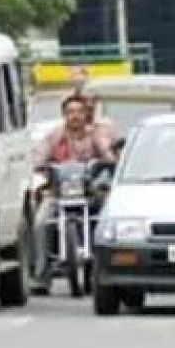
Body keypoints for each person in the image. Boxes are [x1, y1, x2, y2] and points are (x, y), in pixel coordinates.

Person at [31, 94, 116, 288]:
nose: (75, 116)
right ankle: (41, 276)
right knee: (40, 223)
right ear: (64, 115)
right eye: (70, 112)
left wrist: (106, 159)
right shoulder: (54, 136)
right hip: (58, 194)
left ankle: (104, 270)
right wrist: (41, 166)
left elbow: (107, 155)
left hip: (90, 193)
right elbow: (39, 158)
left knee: (107, 220)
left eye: (79, 112)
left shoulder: (95, 134)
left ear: (86, 114)